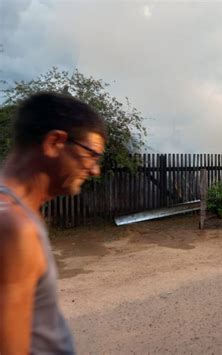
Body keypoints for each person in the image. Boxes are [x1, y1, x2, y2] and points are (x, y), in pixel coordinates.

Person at [0, 92, 107, 354]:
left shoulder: (17, 211)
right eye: (91, 155)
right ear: (55, 142)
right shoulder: (14, 226)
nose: (95, 170)